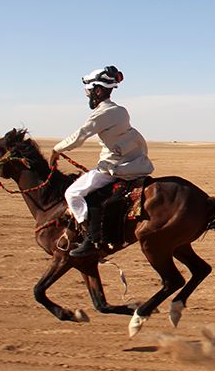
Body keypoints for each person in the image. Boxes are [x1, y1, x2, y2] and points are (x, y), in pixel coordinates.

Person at [48, 66, 154, 257]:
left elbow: (80, 136)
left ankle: (91, 237)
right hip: (135, 163)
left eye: (89, 91)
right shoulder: (121, 111)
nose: (87, 95)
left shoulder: (102, 114)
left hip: (117, 167)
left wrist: (57, 150)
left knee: (72, 193)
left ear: (97, 91)